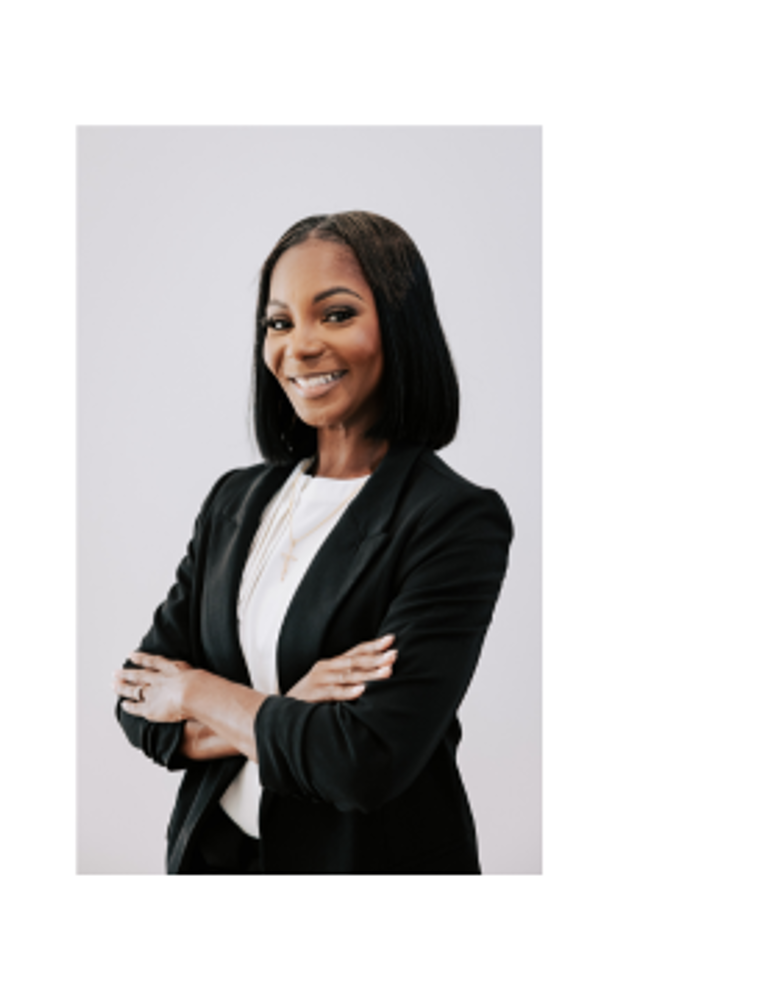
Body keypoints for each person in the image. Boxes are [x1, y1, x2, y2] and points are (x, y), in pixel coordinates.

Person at [114, 210, 513, 874]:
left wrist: (195, 692)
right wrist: (296, 707)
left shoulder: (453, 519)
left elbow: (360, 761)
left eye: (336, 314)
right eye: (279, 322)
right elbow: (135, 700)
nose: (299, 346)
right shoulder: (234, 501)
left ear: (400, 325)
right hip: (216, 859)